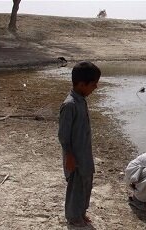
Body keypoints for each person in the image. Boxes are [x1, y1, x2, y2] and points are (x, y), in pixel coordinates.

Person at [58, 61, 101, 227]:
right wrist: (69, 156)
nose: (95, 87)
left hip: (85, 154)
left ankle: (81, 213)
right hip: (74, 156)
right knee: (76, 187)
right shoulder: (69, 105)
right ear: (82, 84)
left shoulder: (81, 99)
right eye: (93, 84)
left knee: (86, 185)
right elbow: (63, 135)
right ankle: (73, 217)